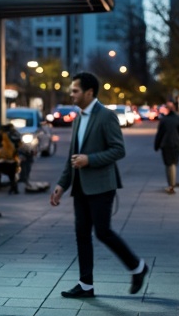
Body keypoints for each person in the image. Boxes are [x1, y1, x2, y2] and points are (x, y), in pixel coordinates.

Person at [50, 71, 147, 298]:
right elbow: (72, 157)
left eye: (75, 90)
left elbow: (118, 150)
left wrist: (89, 160)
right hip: (80, 186)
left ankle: (138, 267)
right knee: (81, 233)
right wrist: (61, 185)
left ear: (89, 92)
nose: (71, 94)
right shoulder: (77, 119)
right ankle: (85, 285)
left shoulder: (106, 116)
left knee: (103, 232)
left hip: (102, 186)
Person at [153, 101, 179, 194]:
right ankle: (172, 184)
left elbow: (160, 134)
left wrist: (156, 145)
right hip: (176, 144)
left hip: (166, 144)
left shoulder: (164, 120)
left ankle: (171, 185)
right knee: (173, 163)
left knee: (168, 164)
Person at [0, 119, 21, 194]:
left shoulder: (5, 137)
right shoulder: (14, 135)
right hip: (13, 160)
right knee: (11, 171)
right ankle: (13, 186)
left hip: (6, 159)